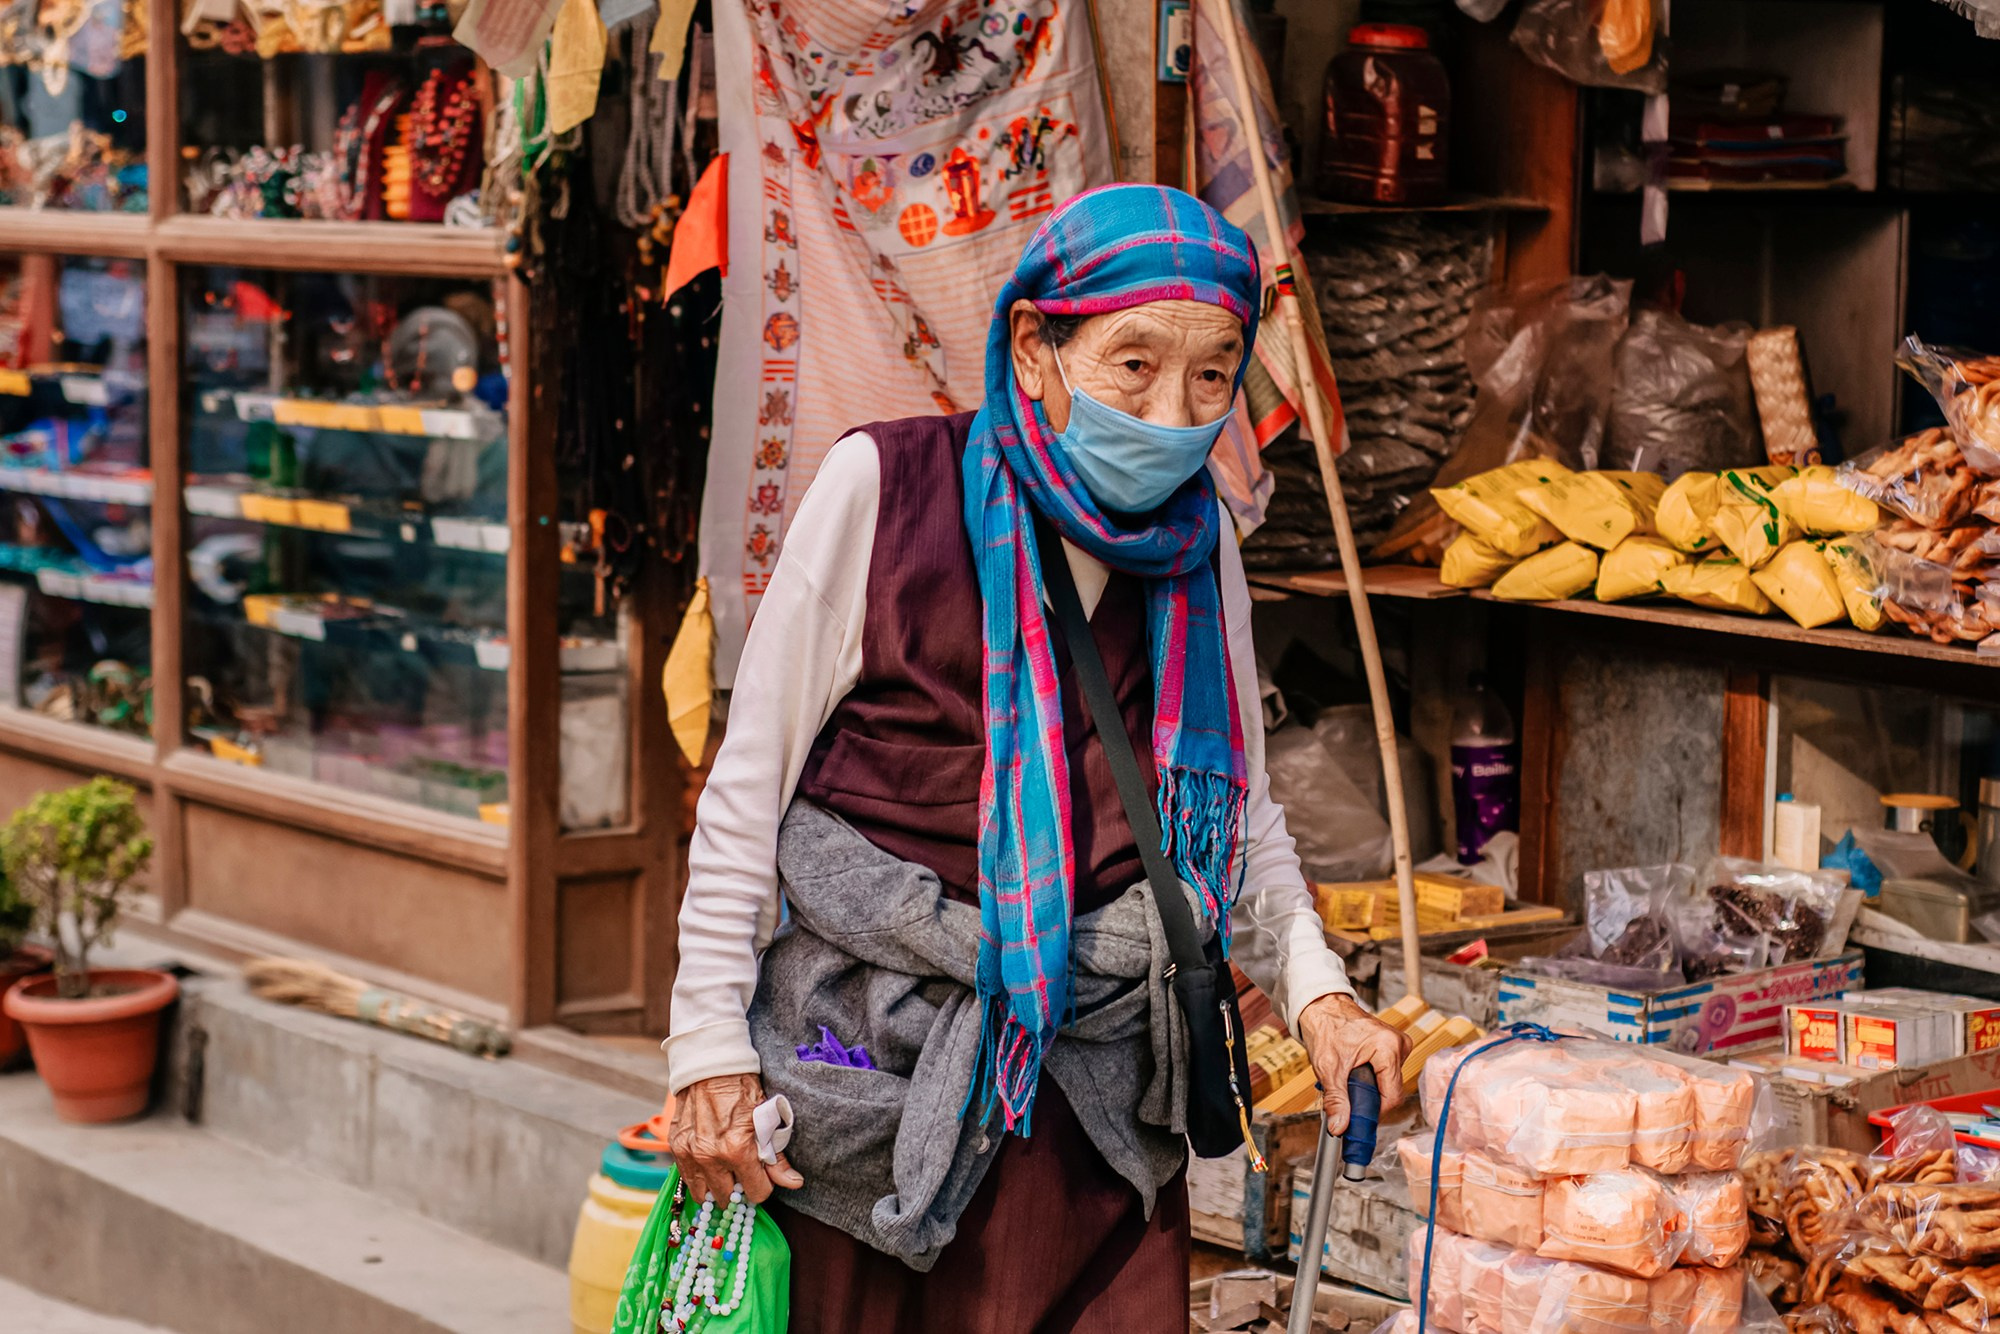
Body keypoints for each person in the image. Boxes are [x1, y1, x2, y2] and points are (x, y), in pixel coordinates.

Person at [663, 183, 1409, 1332]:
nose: (1173, 411)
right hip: (870, 1067)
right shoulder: (884, 488)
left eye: (1212, 373)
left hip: (1093, 1109)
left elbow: (1231, 816)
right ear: (1033, 346)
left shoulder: (1199, 549)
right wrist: (707, 1044)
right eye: (1133, 364)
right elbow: (744, 794)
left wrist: (1318, 996)